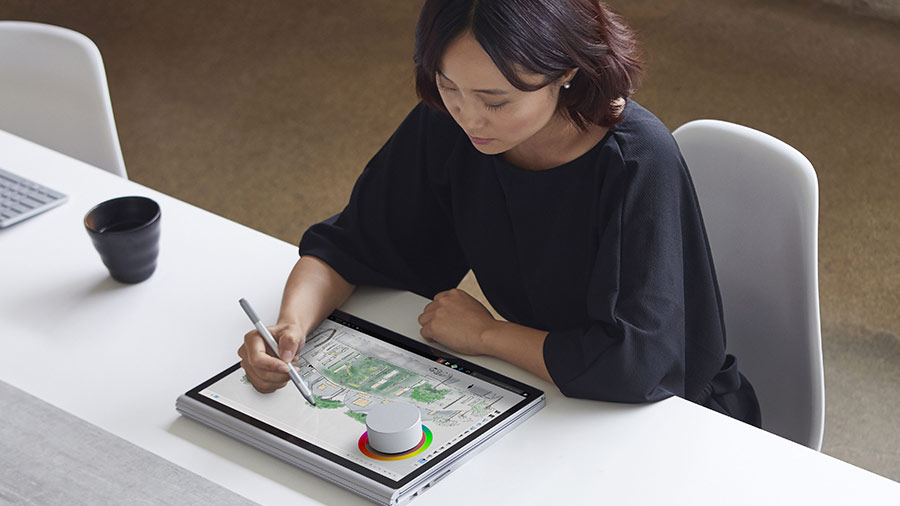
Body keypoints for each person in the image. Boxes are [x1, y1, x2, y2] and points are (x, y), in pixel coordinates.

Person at [238, 0, 761, 426]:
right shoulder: (453, 124)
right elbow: (354, 244)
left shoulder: (636, 161)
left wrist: (488, 336)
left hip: (667, 423)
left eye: (496, 100)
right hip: (543, 397)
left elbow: (637, 366)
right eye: (448, 86)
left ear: (566, 72)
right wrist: (289, 326)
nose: (469, 116)